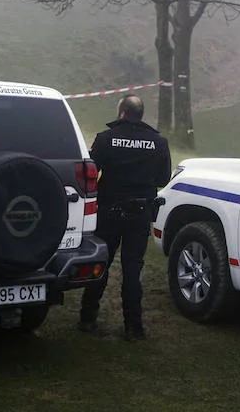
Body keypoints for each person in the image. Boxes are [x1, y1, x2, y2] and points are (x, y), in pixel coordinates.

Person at [79, 94, 171, 341]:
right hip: (140, 214)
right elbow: (163, 179)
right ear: (140, 115)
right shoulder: (158, 142)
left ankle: (87, 318)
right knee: (132, 270)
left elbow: (90, 173)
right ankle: (134, 327)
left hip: (108, 212)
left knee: (100, 264)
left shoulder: (105, 139)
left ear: (121, 112)